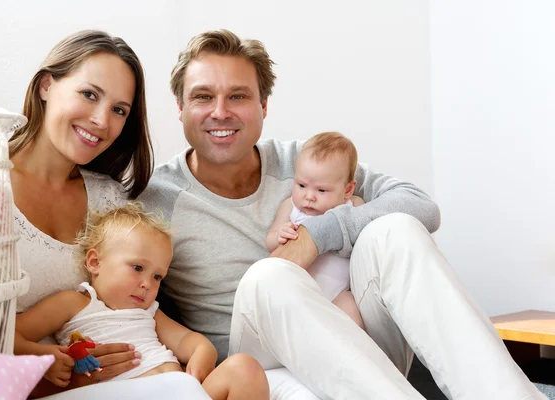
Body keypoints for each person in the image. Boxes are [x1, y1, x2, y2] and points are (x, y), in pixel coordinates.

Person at [138, 29, 546, 399]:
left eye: (239, 96)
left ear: (263, 105)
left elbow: (421, 205)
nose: (220, 111)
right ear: (180, 107)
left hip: (360, 345)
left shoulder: (305, 161)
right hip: (261, 369)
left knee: (395, 228)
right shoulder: (157, 197)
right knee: (269, 276)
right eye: (203, 96)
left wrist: (319, 234)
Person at [8, 30, 212, 398]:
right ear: (45, 86)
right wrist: (46, 365)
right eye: (89, 94)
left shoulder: (110, 200)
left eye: (119, 110)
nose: (102, 120)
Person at [15, 203, 269, 400]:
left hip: (179, 390)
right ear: (95, 262)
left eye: (157, 276)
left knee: (245, 369)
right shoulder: (73, 303)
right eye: (137, 267)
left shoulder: (148, 310)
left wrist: (204, 352)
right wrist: (43, 357)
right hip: (126, 392)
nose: (148, 283)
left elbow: (186, 341)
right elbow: (9, 336)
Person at [266, 131, 365, 328]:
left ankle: (355, 352)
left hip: (337, 296)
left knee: (352, 312)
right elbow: (269, 241)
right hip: (298, 295)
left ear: (347, 190)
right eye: (301, 185)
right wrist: (280, 235)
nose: (309, 196)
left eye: (321, 190)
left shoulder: (353, 207)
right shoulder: (291, 207)